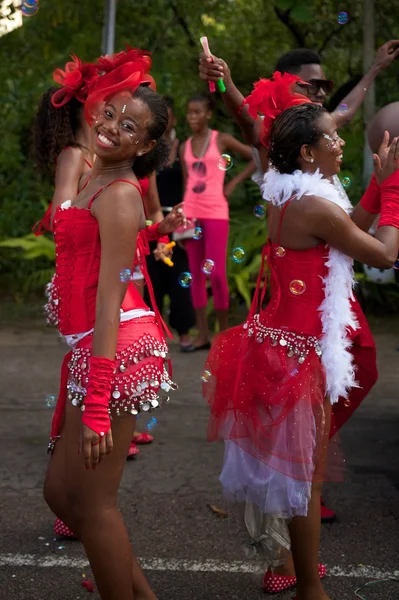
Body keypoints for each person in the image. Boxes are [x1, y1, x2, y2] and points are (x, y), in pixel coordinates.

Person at [203, 74, 399, 600]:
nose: (340, 142)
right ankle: (310, 588)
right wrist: (398, 189)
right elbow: (380, 252)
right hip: (299, 355)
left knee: (300, 476)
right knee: (306, 483)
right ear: (308, 154)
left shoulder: (293, 194)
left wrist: (378, 185)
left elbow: (348, 228)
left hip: (284, 344)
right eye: (332, 138)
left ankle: (297, 571)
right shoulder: (311, 205)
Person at [40, 51, 185, 600]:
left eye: (130, 127)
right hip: (92, 346)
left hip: (117, 347)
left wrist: (97, 401)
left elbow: (107, 300)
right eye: (111, 115)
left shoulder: (122, 194)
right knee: (60, 494)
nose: (111, 128)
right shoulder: (92, 179)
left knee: (93, 507)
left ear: (146, 147)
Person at [33, 55, 101, 539]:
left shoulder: (100, 156)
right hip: (83, 280)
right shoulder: (75, 155)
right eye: (104, 105)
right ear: (85, 108)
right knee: (84, 382)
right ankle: (74, 501)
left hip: (107, 273)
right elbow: (61, 211)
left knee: (89, 383)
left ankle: (78, 495)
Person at [181, 93, 255, 348]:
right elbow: (186, 183)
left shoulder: (220, 140)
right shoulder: (185, 145)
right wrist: (181, 218)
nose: (192, 117)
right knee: (196, 276)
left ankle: (223, 334)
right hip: (190, 213)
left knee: (217, 275)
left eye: (197, 112)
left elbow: (255, 157)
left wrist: (234, 181)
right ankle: (202, 334)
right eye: (189, 112)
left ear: (208, 114)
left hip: (215, 212)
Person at [144, 96, 196, 352]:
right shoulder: (147, 151)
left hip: (176, 219)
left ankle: (184, 332)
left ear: (173, 120)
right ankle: (152, 334)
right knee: (152, 279)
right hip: (151, 222)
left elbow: (188, 187)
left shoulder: (182, 147)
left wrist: (185, 220)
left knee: (179, 277)